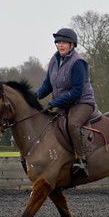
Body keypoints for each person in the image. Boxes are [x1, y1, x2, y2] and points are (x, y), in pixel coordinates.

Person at [35, 28, 96, 178]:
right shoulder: (53, 61)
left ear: (72, 45)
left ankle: (82, 161)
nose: (60, 45)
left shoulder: (78, 62)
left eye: (64, 43)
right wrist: (36, 95)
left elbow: (77, 92)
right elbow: (47, 85)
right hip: (63, 103)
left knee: (72, 124)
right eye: (58, 43)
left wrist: (54, 102)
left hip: (82, 103)